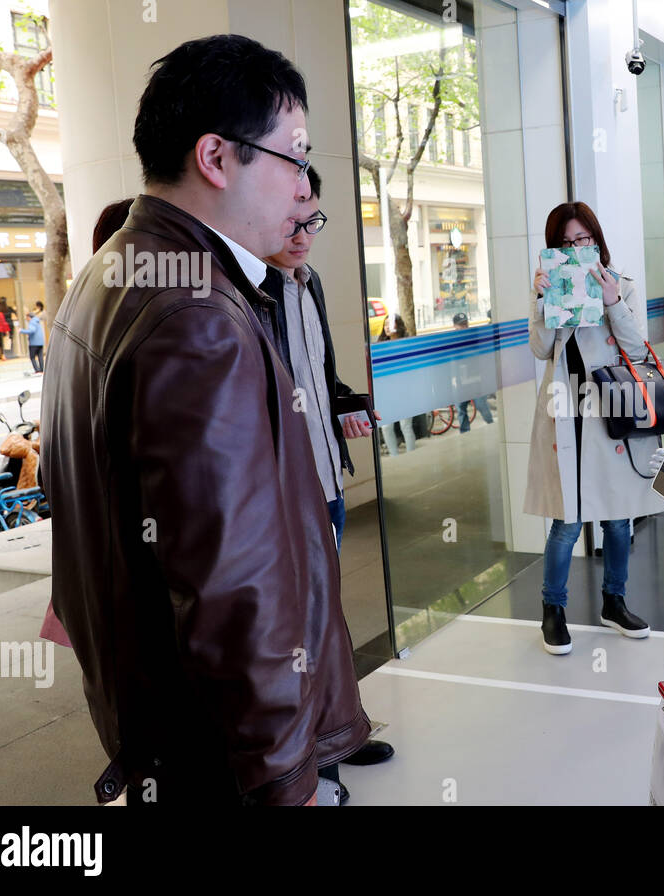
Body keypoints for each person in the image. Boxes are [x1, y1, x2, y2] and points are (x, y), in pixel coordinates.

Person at [39, 34, 370, 806]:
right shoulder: (199, 318)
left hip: (153, 725)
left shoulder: (109, 273)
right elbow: (233, 588)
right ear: (217, 158)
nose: (302, 189)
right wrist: (286, 776)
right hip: (213, 756)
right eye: (292, 158)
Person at [261, 164, 394, 798]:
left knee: (327, 619)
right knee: (298, 631)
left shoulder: (308, 287)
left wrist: (348, 404)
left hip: (327, 481)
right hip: (289, 491)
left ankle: (340, 734)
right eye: (291, 218)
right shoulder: (251, 295)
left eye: (311, 219)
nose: (302, 232)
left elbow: (318, 380)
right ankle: (313, 763)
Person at [527, 201, 664, 655]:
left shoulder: (622, 285)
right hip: (566, 407)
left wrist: (611, 304)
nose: (575, 249)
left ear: (596, 240)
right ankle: (553, 609)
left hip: (613, 405)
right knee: (566, 522)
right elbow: (540, 348)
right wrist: (541, 300)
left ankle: (614, 601)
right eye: (565, 243)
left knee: (618, 517)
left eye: (583, 240)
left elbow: (638, 348)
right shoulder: (551, 287)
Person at [379, 313, 417, 456]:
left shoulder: (407, 344)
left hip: (405, 392)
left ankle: (411, 456)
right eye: (385, 324)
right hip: (387, 393)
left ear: (398, 326)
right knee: (386, 427)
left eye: (391, 324)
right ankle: (395, 457)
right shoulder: (380, 346)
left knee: (405, 426)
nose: (387, 327)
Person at [452, 312, 494, 431]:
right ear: (454, 326)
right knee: (461, 410)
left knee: (482, 405)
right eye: (461, 325)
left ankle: (492, 426)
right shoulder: (452, 340)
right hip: (460, 382)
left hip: (474, 379)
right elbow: (451, 361)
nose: (464, 327)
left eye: (465, 324)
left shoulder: (473, 336)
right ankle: (464, 433)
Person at [21, 308, 45, 374]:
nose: (26, 319)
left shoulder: (32, 322)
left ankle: (37, 370)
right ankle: (42, 370)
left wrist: (21, 330)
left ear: (29, 317)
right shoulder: (37, 321)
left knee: (32, 357)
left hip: (34, 343)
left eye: (27, 318)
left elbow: (32, 331)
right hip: (40, 342)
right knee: (40, 357)